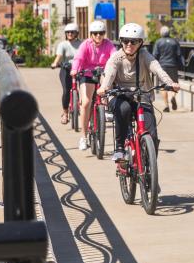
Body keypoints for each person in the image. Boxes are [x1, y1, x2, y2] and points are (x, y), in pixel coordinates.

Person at [98, 23, 177, 163]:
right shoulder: (116, 57)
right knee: (124, 109)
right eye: (125, 41)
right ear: (121, 41)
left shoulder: (144, 55)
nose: (129, 44)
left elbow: (157, 68)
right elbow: (109, 73)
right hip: (119, 95)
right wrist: (104, 87)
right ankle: (120, 149)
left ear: (141, 43)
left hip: (141, 95)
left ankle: (149, 169)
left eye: (133, 41)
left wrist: (170, 83)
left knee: (151, 133)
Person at [70, 19, 116, 151]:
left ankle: (106, 106)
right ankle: (83, 137)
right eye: (95, 33)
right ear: (91, 34)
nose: (98, 36)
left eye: (101, 33)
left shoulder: (108, 44)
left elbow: (114, 57)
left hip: (102, 73)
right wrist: (75, 69)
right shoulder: (86, 44)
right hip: (87, 74)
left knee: (108, 79)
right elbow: (78, 58)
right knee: (85, 103)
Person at [50, 23, 79, 124]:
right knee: (66, 91)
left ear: (76, 33)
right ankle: (65, 113)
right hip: (66, 70)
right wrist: (55, 63)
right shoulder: (63, 44)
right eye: (68, 32)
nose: (70, 34)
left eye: (72, 32)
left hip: (79, 70)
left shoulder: (82, 44)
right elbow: (59, 56)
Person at [151, 22, 182, 111]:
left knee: (163, 86)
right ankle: (172, 96)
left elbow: (155, 55)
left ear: (161, 33)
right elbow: (179, 55)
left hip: (162, 66)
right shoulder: (174, 42)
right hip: (173, 65)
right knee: (175, 84)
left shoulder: (158, 42)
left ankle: (166, 105)